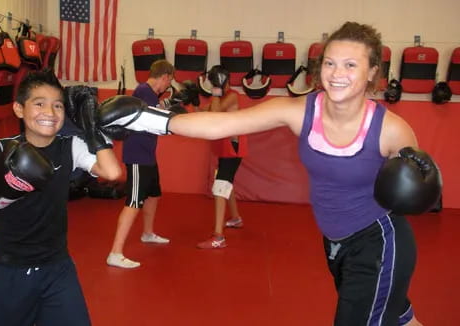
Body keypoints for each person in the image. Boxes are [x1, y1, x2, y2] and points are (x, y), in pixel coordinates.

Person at [96, 22, 443, 325]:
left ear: (371, 72)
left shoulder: (390, 129)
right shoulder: (299, 111)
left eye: (351, 65)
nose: (337, 73)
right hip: (336, 243)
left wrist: (422, 185)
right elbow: (223, 124)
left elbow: (417, 182)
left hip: (379, 243)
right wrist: (150, 120)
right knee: (397, 317)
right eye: (331, 63)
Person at [0, 69, 122, 326]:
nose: (50, 114)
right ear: (19, 109)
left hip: (57, 266)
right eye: (39, 104)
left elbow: (112, 172)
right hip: (10, 268)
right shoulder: (2, 149)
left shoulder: (69, 146)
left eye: (58, 106)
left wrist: (92, 129)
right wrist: (7, 188)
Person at [105, 59, 174, 269]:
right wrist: (172, 114)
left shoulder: (150, 95)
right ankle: (115, 253)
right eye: (168, 81)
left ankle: (148, 233)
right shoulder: (144, 91)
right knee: (134, 202)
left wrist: (168, 103)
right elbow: (154, 120)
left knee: (153, 194)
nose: (167, 86)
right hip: (137, 156)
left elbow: (153, 111)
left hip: (148, 155)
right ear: (164, 77)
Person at [196, 65, 247, 249]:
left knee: (220, 186)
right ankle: (235, 218)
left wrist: (216, 93)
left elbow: (216, 115)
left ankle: (219, 237)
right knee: (226, 182)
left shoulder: (232, 95)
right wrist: (192, 103)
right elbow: (206, 112)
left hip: (233, 148)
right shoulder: (220, 97)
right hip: (225, 147)